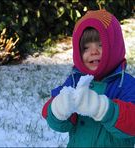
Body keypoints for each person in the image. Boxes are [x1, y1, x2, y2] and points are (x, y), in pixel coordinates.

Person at [42, 9, 135, 147]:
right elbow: (52, 118)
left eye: (101, 45)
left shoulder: (126, 84)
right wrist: (58, 109)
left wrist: (103, 108)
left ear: (114, 46)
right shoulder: (74, 81)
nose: (93, 52)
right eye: (85, 48)